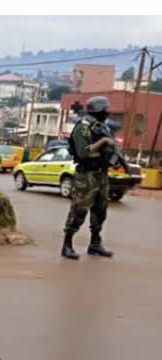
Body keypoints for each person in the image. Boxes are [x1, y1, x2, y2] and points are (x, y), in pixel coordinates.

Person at [62, 95, 115, 260]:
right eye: (105, 109)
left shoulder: (102, 127)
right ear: (98, 110)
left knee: (100, 210)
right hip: (86, 175)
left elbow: (108, 147)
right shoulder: (82, 128)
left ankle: (95, 244)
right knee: (79, 211)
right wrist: (103, 142)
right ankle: (67, 245)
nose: (107, 112)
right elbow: (83, 152)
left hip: (101, 174)